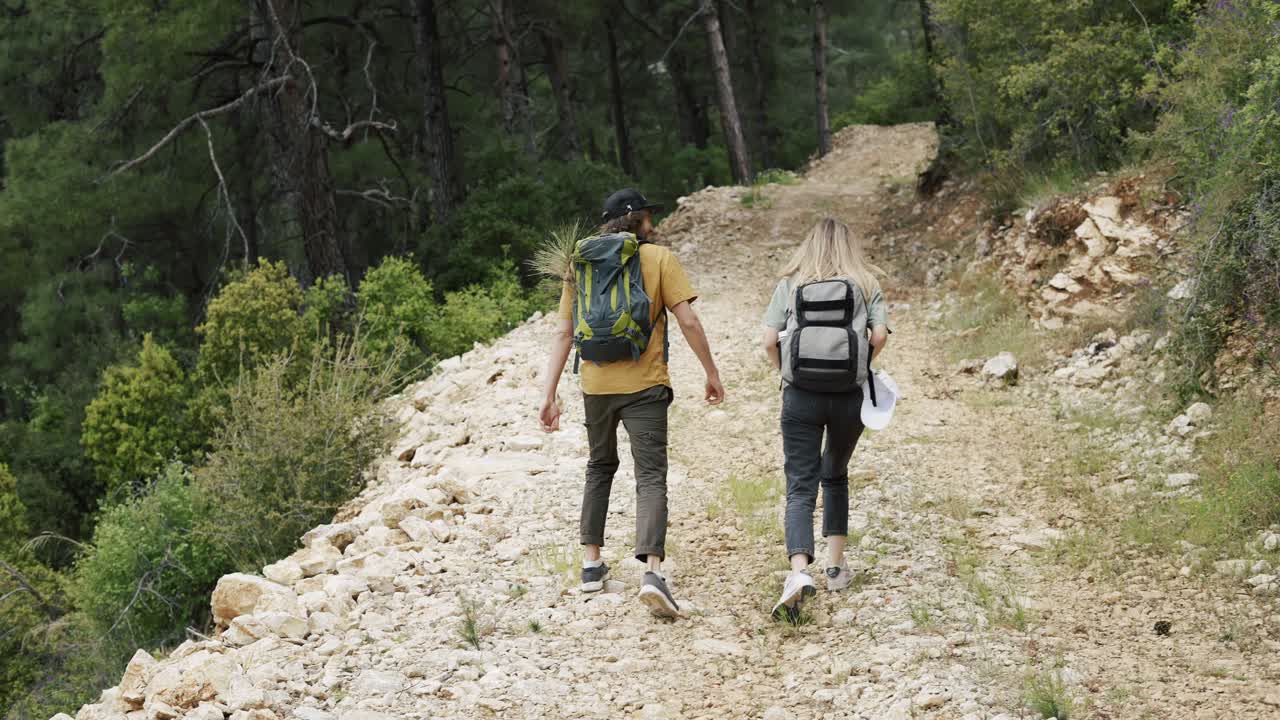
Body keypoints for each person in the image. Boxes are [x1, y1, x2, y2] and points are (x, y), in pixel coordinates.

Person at [538, 188, 725, 618]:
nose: (652, 224)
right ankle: (653, 572)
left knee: (599, 467)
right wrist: (711, 372)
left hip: (595, 385)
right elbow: (689, 319)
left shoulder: (578, 264)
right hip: (645, 384)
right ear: (638, 219)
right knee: (651, 475)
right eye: (648, 217)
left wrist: (548, 394)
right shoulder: (659, 259)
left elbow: (564, 333)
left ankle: (590, 565)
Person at [761, 217, 889, 619]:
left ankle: (800, 571)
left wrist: (785, 369)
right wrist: (860, 367)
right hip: (848, 396)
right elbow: (879, 335)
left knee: (800, 484)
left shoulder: (792, 283)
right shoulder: (866, 283)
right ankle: (835, 568)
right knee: (835, 472)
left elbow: (768, 339)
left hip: (800, 395)